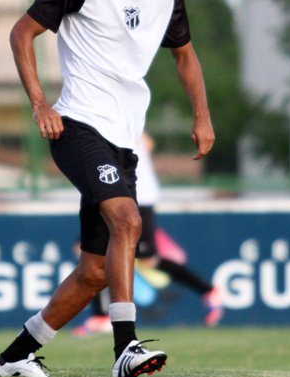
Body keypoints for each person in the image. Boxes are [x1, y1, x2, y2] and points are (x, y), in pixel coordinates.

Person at [0, 0, 214, 377]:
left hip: (124, 140)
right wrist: (38, 104)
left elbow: (184, 55)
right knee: (128, 220)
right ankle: (125, 347)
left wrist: (202, 116)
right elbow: (21, 32)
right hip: (77, 125)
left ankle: (15, 356)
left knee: (95, 271)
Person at [73, 132, 223, 337]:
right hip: (120, 195)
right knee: (90, 249)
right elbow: (148, 143)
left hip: (135, 197)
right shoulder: (119, 122)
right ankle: (101, 316)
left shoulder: (114, 123)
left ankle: (208, 290)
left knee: (145, 258)